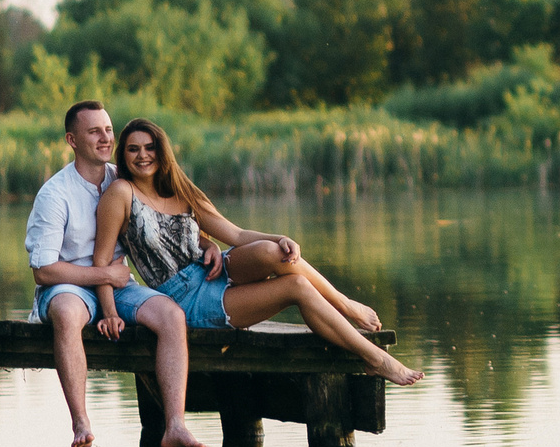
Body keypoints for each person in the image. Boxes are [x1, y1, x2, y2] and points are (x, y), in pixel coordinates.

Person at [94, 118, 424, 388]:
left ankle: (345, 303)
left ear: (162, 151)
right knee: (296, 288)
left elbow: (235, 234)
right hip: (184, 297)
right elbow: (102, 260)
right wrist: (109, 311)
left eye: (149, 147)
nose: (142, 155)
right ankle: (376, 360)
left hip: (213, 269)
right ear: (123, 156)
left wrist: (280, 237)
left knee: (272, 252)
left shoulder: (181, 190)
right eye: (133, 150)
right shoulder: (121, 193)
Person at [26, 101, 204, 447]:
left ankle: (175, 426)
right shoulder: (54, 194)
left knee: (171, 315)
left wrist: (207, 243)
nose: (105, 137)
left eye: (108, 129)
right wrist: (102, 273)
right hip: (67, 286)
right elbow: (43, 270)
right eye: (94, 131)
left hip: (118, 285)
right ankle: (80, 420)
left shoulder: (121, 179)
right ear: (72, 139)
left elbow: (170, 215)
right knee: (66, 313)